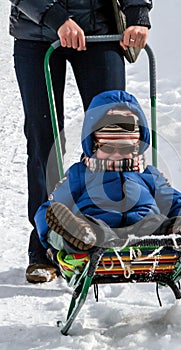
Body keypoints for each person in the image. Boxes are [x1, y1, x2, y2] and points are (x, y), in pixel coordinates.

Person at [9, 0, 153, 283]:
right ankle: (45, 246)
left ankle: (114, 230)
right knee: (44, 140)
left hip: (99, 29)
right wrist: (56, 17)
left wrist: (137, 14)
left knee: (115, 133)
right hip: (36, 32)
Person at [34, 90, 181, 258]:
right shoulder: (80, 174)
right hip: (99, 235)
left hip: (147, 235)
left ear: (136, 148)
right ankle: (81, 235)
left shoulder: (148, 175)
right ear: (93, 145)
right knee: (88, 227)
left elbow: (175, 202)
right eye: (108, 148)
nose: (116, 155)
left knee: (159, 222)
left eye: (125, 148)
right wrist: (53, 228)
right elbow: (49, 209)